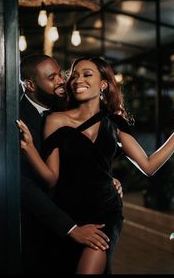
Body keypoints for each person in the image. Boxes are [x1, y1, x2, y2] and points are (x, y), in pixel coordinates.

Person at [17, 56, 174, 274]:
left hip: (105, 212)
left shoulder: (113, 121)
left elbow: (148, 165)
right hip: (69, 213)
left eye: (87, 74)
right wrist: (30, 148)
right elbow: (51, 178)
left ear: (103, 83)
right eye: (75, 75)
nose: (74, 80)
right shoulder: (55, 119)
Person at [19, 54, 123, 274]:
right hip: (44, 226)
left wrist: (105, 178)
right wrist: (71, 228)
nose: (61, 81)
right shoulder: (16, 119)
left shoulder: (65, 102)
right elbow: (25, 185)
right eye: (51, 77)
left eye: (61, 74)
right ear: (30, 84)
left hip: (90, 212)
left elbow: (87, 150)